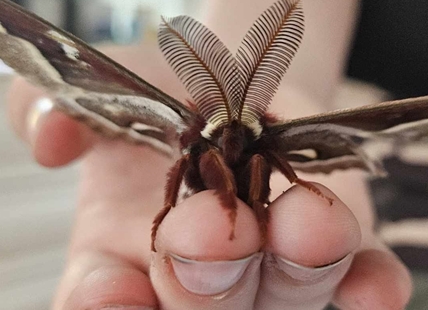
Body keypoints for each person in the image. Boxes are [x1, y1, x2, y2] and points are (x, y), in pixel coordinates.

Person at [6, 0, 412, 309]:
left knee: (258, 162)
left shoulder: (261, 150)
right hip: (393, 209)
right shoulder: (194, 143)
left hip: (389, 229)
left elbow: (261, 156)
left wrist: (297, 181)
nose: (231, 145)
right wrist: (168, 209)